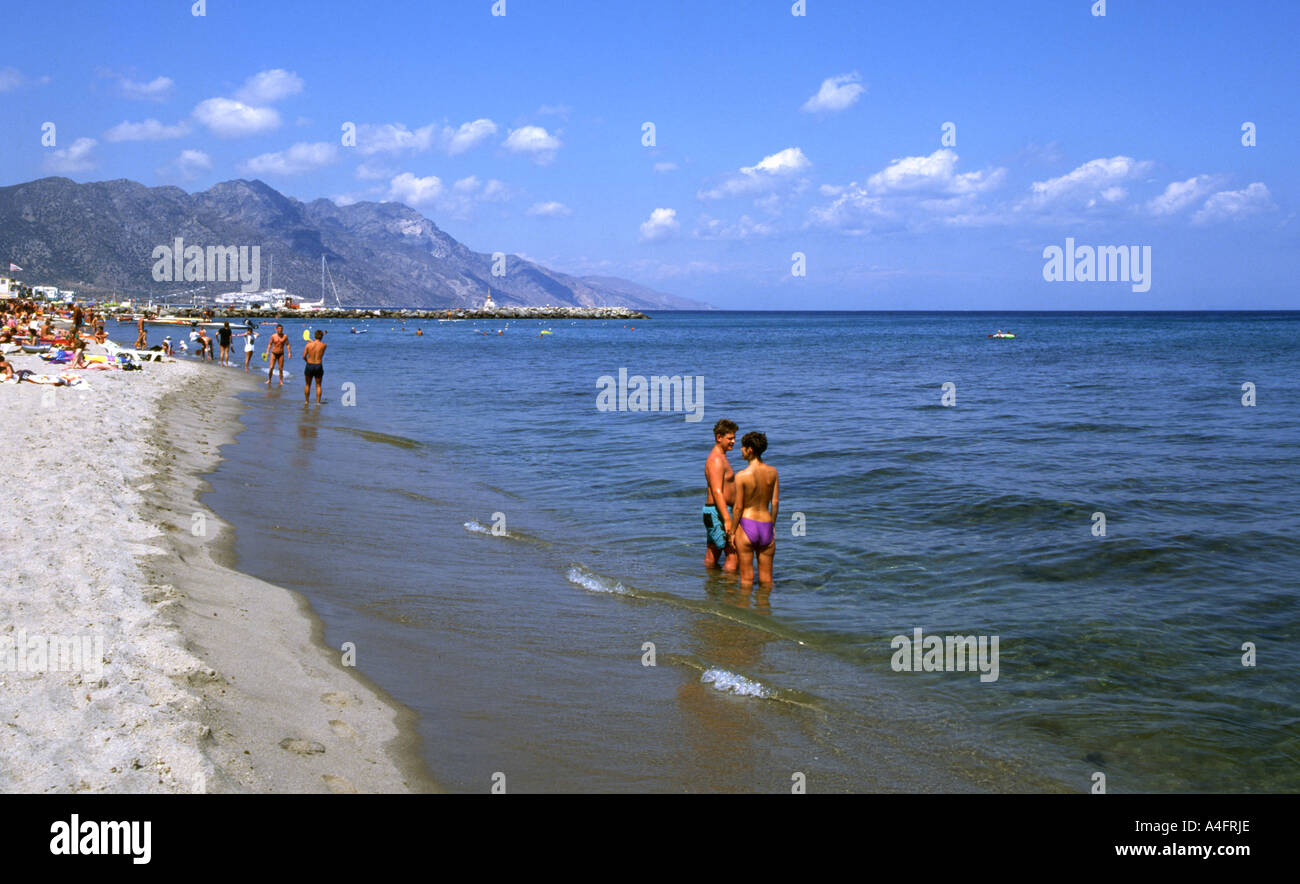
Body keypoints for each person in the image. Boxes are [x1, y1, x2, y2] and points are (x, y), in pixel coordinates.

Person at [729, 431, 779, 587]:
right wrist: (772, 526)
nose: (741, 450)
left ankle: (742, 611)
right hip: (766, 525)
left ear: (749, 449)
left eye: (743, 447)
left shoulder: (742, 476)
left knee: (746, 580)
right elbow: (775, 502)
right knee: (767, 580)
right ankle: (764, 609)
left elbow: (738, 507)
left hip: (746, 525)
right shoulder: (773, 472)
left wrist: (732, 531)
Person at [703, 418, 739, 572]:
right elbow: (717, 490)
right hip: (718, 513)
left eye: (734, 438)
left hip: (713, 513)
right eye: (730, 438)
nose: (734, 441)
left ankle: (711, 588)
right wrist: (727, 519)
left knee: (713, 552)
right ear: (719, 437)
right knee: (733, 554)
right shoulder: (716, 460)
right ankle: (730, 594)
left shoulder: (720, 457)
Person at [303, 328, 326, 404]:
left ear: (314, 336)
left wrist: (307, 361)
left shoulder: (308, 345)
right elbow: (318, 346)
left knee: (307, 385)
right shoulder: (324, 345)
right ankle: (318, 402)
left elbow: (303, 356)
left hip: (309, 365)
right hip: (318, 365)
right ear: (321, 337)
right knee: (318, 385)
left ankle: (306, 401)